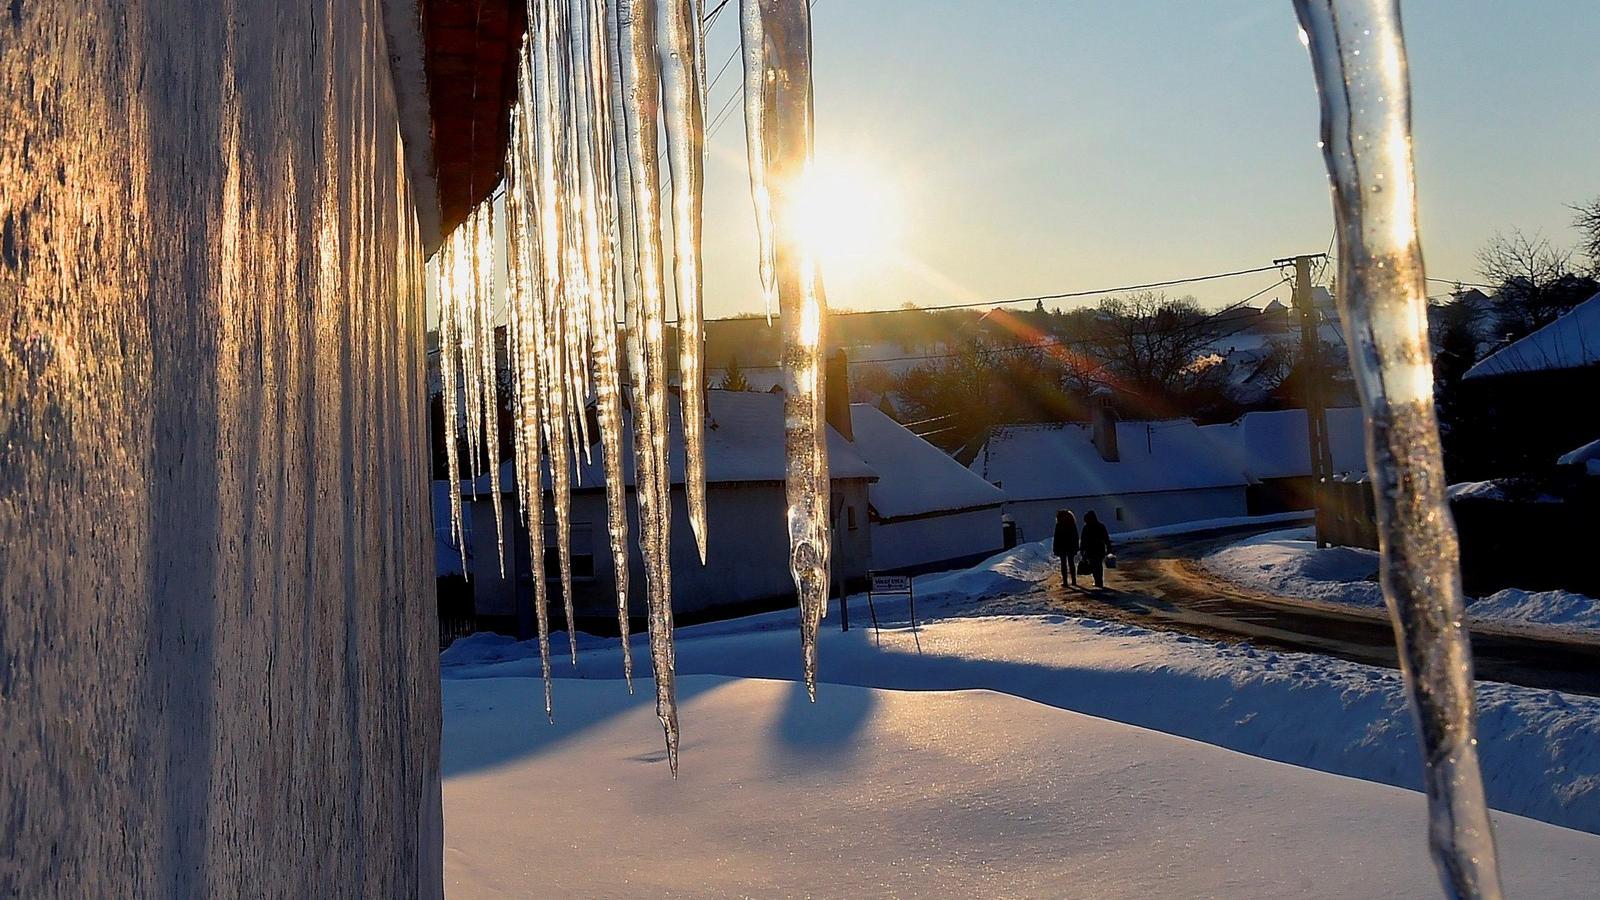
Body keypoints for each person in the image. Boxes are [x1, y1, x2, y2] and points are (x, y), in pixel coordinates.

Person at [1080, 510, 1113, 589]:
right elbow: (1106, 538)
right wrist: (1108, 547)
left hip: (1090, 550)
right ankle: (1100, 581)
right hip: (1099, 549)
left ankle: (1097, 581)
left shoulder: (1086, 527)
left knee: (1093, 565)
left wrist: (1082, 549)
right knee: (1099, 565)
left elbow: (1083, 539)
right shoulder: (1101, 526)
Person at [1052, 509, 1079, 588]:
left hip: (1062, 547)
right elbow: (1075, 536)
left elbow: (1056, 537)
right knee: (1071, 563)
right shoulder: (1072, 524)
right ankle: (1074, 580)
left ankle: (1065, 581)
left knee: (1063, 564)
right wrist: (1076, 546)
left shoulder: (1059, 525)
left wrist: (1055, 548)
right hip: (1070, 546)